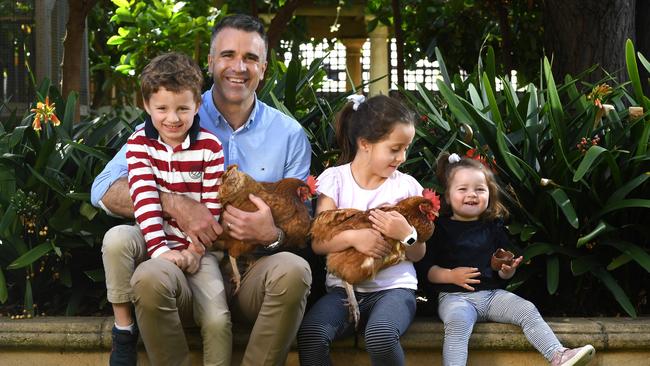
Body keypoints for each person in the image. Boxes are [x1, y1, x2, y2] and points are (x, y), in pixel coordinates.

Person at [91, 14, 312, 366]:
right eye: (227, 55)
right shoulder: (174, 112)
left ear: (264, 68)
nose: (238, 67)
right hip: (184, 268)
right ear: (210, 62)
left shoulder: (289, 135)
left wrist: (271, 235)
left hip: (253, 270)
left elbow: (303, 227)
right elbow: (103, 189)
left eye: (251, 58)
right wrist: (175, 203)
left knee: (295, 269)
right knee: (148, 276)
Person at [417, 152, 596, 366]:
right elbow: (425, 269)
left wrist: (506, 270)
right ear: (447, 196)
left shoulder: (494, 227)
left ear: (490, 195)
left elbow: (502, 271)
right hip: (455, 298)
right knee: (457, 324)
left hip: (492, 296)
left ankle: (558, 355)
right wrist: (450, 275)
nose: (472, 194)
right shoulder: (440, 229)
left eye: (480, 189)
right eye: (462, 189)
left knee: (526, 309)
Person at [297, 94, 426, 366]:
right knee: (312, 334)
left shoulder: (407, 187)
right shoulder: (335, 180)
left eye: (406, 148)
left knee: (380, 335)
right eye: (394, 149)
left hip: (395, 290)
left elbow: (417, 254)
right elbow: (319, 242)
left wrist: (406, 234)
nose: (402, 157)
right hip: (344, 291)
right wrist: (354, 237)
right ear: (365, 144)